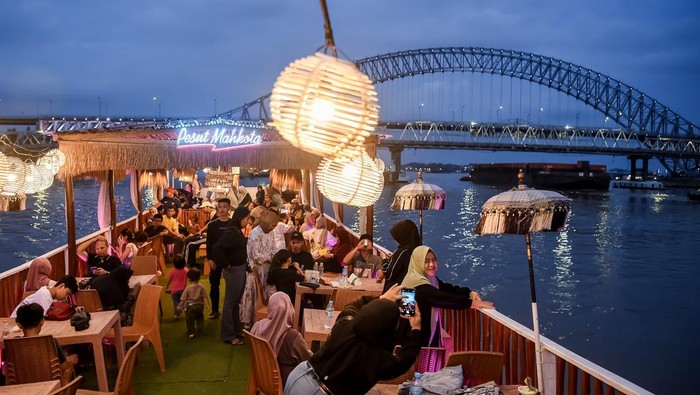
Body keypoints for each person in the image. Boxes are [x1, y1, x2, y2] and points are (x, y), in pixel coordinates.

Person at [284, 284, 422, 395]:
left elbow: (351, 307)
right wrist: (416, 329)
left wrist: (380, 299)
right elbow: (404, 360)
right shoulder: (378, 360)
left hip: (299, 376)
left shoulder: (345, 325)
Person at [401, 246, 494, 346]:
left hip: (420, 336)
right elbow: (442, 298)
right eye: (426, 261)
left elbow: (449, 289)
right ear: (417, 263)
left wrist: (470, 293)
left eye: (434, 260)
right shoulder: (414, 285)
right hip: (411, 340)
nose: (432, 264)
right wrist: (474, 303)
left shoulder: (428, 280)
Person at [251, 292, 311, 386]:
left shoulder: (257, 326)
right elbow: (309, 360)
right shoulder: (292, 336)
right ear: (290, 309)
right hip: (285, 384)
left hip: (262, 377)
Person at [212, 206, 250, 345]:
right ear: (241, 218)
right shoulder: (232, 232)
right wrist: (225, 263)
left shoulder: (236, 231)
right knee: (230, 302)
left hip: (238, 268)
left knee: (235, 302)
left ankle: (235, 330)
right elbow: (217, 247)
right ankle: (228, 334)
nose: (247, 222)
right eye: (246, 219)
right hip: (234, 269)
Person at [15, 303, 79, 384]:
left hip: (23, 387)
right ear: (42, 321)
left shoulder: (14, 343)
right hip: (51, 387)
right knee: (68, 367)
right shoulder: (50, 341)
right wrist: (70, 360)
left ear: (19, 324)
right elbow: (61, 367)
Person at [205, 198, 234, 320]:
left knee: (231, 287)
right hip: (215, 260)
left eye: (225, 207)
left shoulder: (233, 224)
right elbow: (209, 243)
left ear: (229, 208)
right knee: (214, 286)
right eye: (220, 207)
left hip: (230, 260)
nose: (222, 209)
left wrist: (233, 260)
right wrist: (210, 259)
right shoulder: (212, 225)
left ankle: (231, 312)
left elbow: (236, 244)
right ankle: (215, 310)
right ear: (217, 208)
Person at [382, 219, 421, 293]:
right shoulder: (417, 251)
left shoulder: (401, 252)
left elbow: (388, 274)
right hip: (410, 291)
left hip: (396, 292)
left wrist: (384, 260)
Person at [11, 275, 78, 318]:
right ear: (61, 286)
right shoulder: (44, 295)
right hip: (17, 322)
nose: (66, 297)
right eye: (67, 293)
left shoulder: (49, 291)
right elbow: (44, 319)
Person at [178, 269, 211, 340]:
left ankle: (191, 332)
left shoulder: (188, 288)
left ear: (189, 278)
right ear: (199, 278)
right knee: (200, 316)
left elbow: (183, 299)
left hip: (190, 307)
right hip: (199, 306)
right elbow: (205, 297)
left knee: (190, 319)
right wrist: (207, 305)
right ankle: (200, 327)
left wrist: (179, 305)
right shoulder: (201, 287)